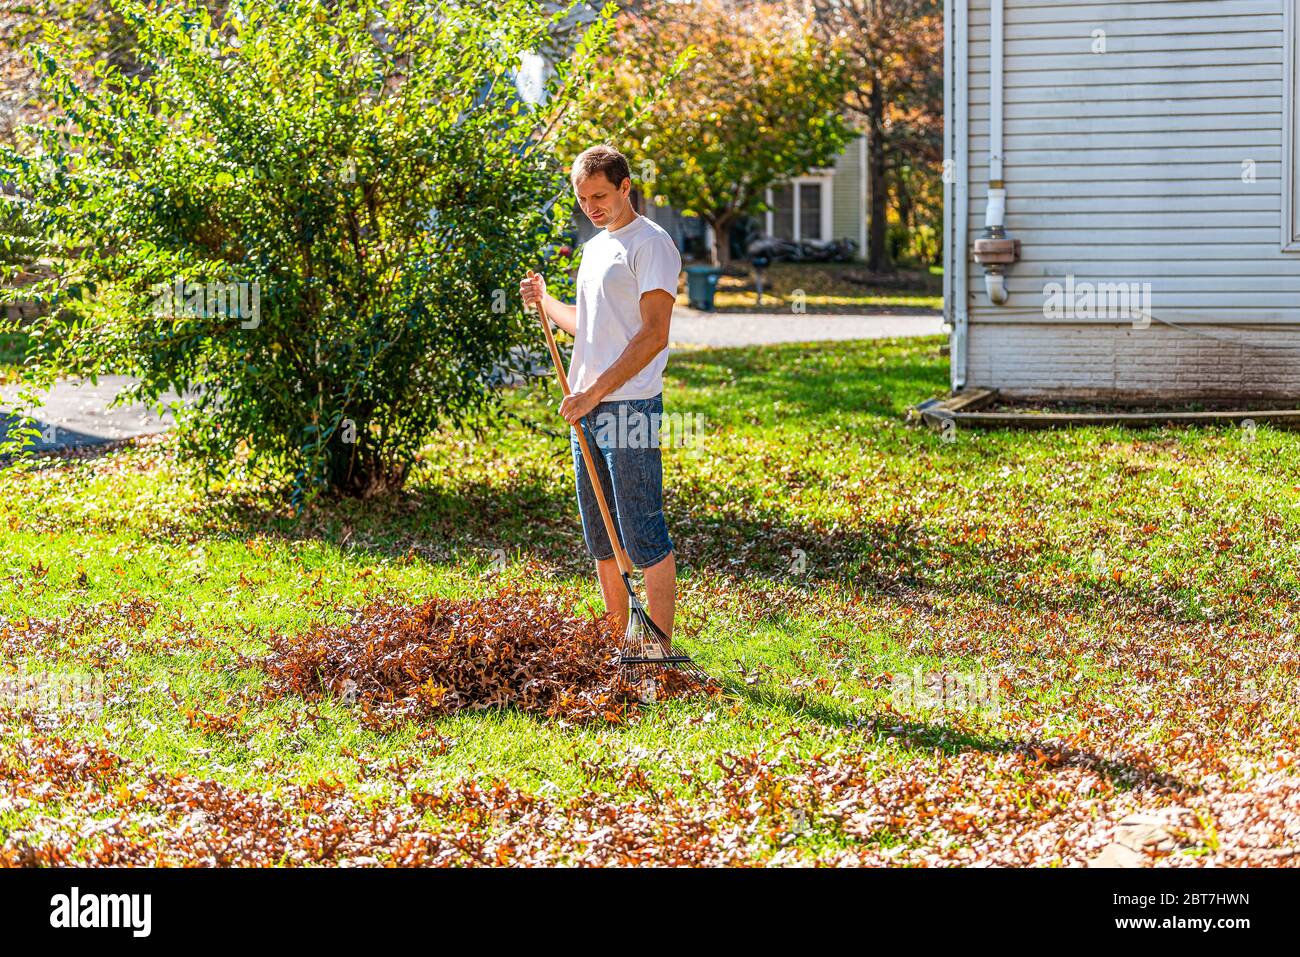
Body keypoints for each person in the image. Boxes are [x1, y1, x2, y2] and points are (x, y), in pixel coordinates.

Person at [519, 144, 682, 648]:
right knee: (601, 536)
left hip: (628, 407)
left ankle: (657, 649)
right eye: (583, 197)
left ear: (625, 187)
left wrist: (594, 392)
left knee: (640, 530)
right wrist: (546, 302)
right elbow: (587, 327)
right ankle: (621, 645)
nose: (591, 206)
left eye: (601, 195)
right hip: (584, 408)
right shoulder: (593, 249)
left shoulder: (650, 245)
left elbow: (654, 334)